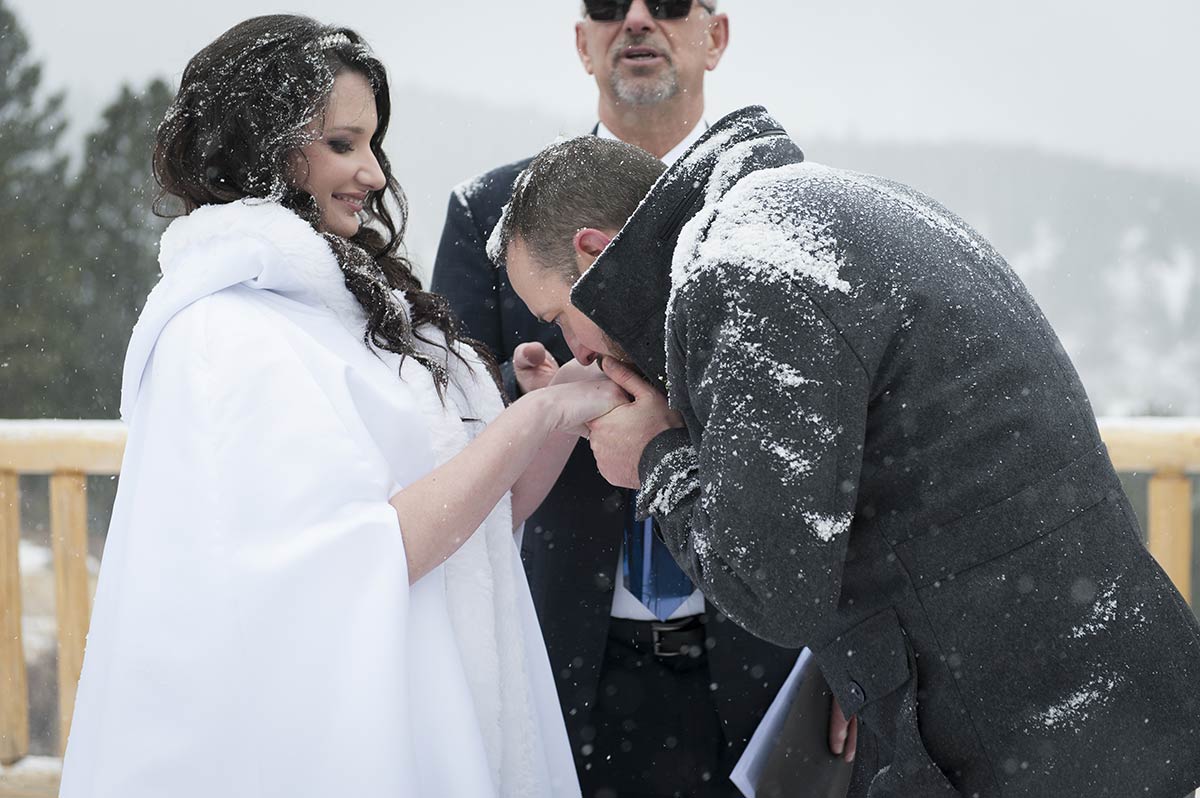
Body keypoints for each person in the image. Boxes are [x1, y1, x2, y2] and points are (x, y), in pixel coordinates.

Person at [493, 109, 1200, 797]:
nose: (576, 351)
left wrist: (657, 456)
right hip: (1095, 695)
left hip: (1009, 734)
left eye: (560, 317)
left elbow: (769, 587)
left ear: (593, 249)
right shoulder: (804, 214)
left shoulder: (740, 273)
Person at [58, 16, 628, 798]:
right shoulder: (225, 330)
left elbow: (483, 518)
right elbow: (355, 563)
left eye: (373, 145)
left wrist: (558, 407)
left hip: (456, 700)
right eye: (342, 144)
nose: (373, 173)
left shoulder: (363, 312)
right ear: (265, 143)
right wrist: (531, 420)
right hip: (360, 736)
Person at [431, 3, 835, 797]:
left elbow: (842, 453)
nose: (639, 20)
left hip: (771, 664)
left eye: (672, 2)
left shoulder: (778, 212)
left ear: (715, 36)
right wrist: (539, 405)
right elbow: (449, 438)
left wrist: (849, 656)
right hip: (566, 661)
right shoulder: (494, 214)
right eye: (611, 5)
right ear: (582, 41)